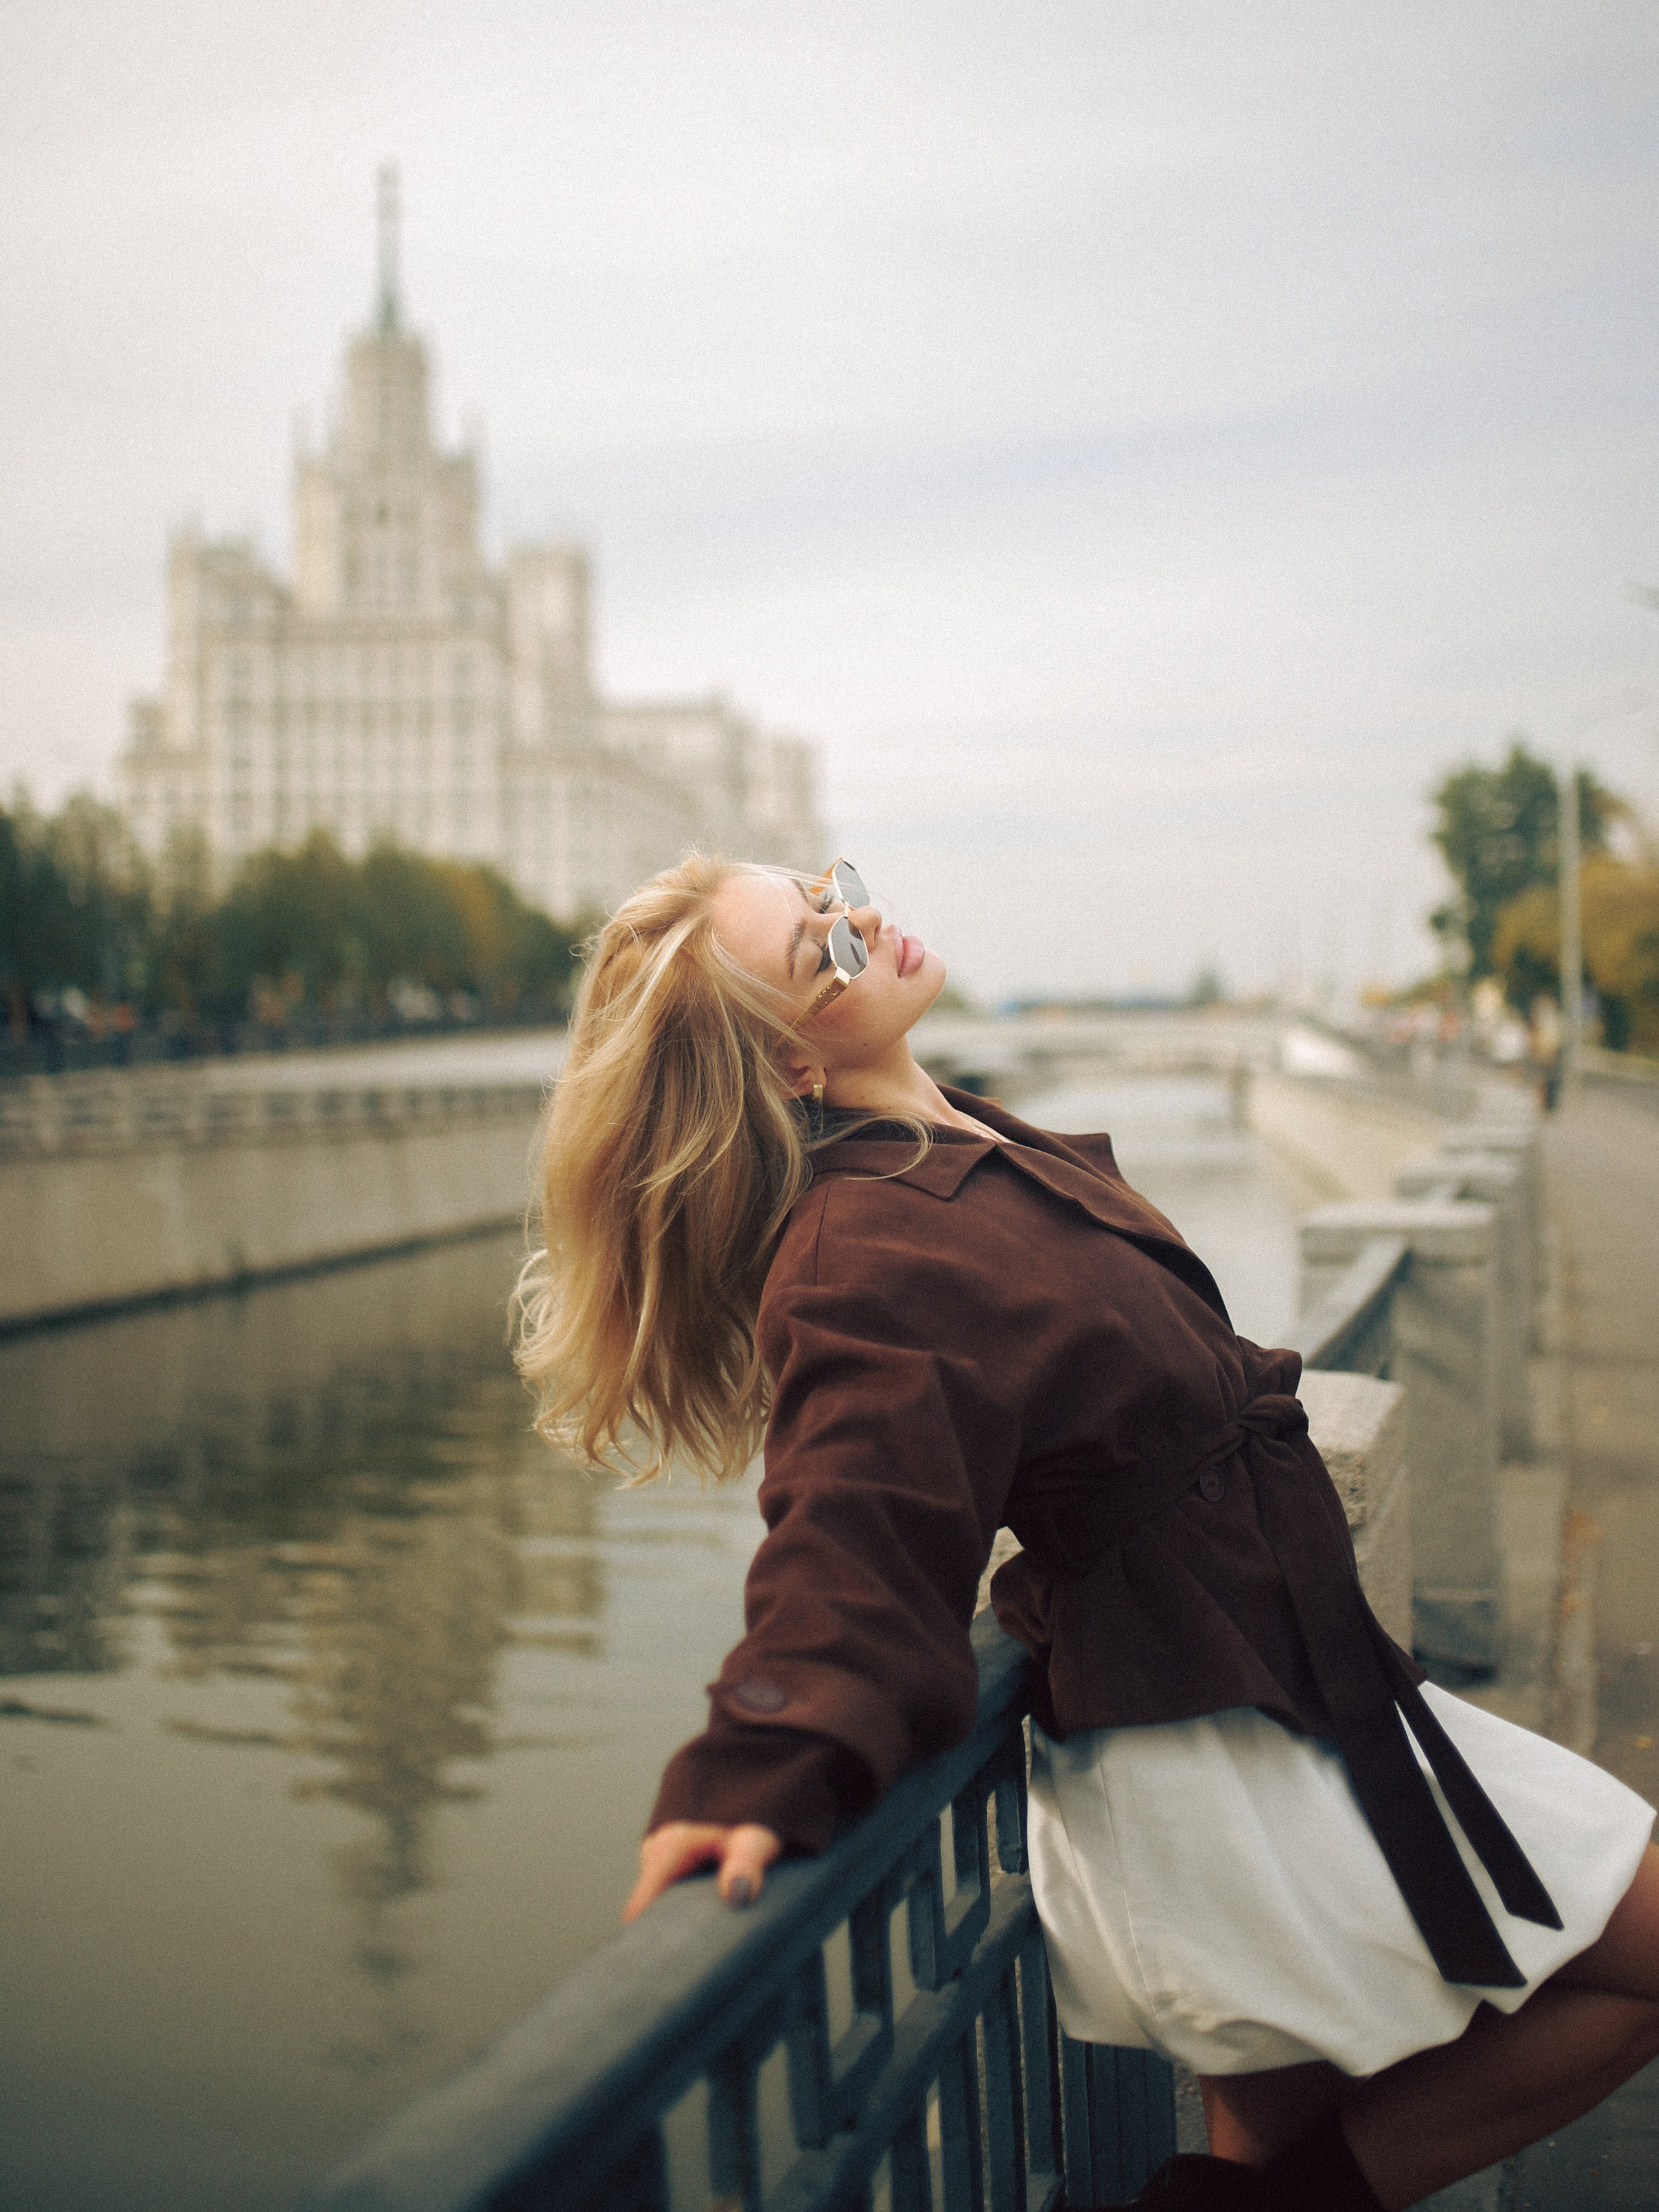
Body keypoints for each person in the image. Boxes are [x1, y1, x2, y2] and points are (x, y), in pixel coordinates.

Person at [515, 854, 1659, 2212]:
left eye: (830, 890)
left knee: (1279, 2147)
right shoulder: (857, 1248)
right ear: (788, 1069)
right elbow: (854, 1534)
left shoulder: (957, 1133)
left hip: (1276, 1679)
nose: (860, 919)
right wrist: (756, 1767)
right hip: (1208, 1746)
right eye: (820, 948)